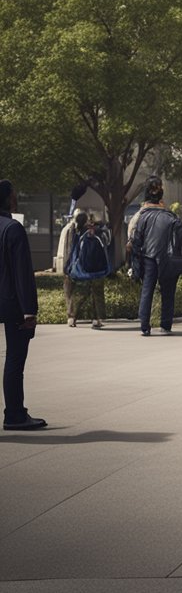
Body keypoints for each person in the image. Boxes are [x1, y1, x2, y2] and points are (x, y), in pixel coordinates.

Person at [1, 180, 44, 431]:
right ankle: (14, 414)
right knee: (15, 360)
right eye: (14, 194)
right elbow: (22, 273)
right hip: (11, 304)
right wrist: (30, 310)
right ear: (7, 199)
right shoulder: (12, 228)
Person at [127, 177, 182, 337]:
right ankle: (166, 325)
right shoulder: (170, 215)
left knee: (147, 290)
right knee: (168, 292)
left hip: (148, 258)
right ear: (161, 195)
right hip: (168, 258)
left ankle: (145, 326)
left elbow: (134, 240)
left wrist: (135, 261)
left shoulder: (140, 216)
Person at [65, 212, 111, 330]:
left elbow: (73, 250)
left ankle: (72, 317)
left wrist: (69, 266)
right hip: (98, 269)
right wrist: (101, 227)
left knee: (80, 293)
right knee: (97, 293)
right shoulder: (97, 232)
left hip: (82, 268)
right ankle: (96, 320)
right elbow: (108, 241)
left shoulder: (77, 232)